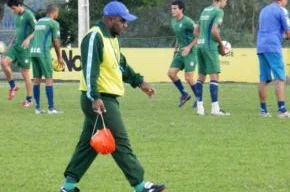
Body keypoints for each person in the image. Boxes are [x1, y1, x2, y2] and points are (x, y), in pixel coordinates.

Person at [59, 2, 165, 192]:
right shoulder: (94, 37)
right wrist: (95, 97)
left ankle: (68, 187)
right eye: (123, 21)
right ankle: (141, 187)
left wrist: (139, 82)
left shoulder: (112, 39)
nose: (126, 25)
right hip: (100, 99)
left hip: (104, 98)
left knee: (88, 145)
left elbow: (121, 66)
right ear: (110, 20)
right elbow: (89, 69)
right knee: (119, 140)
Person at [195, 0, 229, 116]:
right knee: (214, 76)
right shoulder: (218, 11)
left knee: (201, 77)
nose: (226, 2)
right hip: (209, 46)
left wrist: (201, 40)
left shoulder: (205, 10)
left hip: (200, 45)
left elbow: (196, 29)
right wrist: (221, 44)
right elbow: (214, 30)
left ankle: (200, 108)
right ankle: (215, 109)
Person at [257, 0, 290, 118]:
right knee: (280, 78)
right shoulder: (282, 11)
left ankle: (263, 111)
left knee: (264, 79)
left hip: (261, 46)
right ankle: (282, 110)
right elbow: (288, 32)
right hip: (273, 46)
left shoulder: (264, 10)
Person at [30, 4, 63, 114]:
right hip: (43, 53)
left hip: (33, 52)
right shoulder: (54, 23)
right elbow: (56, 41)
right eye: (57, 13)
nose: (57, 15)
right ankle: (51, 108)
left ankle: (37, 108)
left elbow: (35, 35)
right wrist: (59, 57)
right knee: (49, 78)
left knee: (37, 79)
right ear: (54, 12)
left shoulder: (39, 21)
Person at [1, 0, 35, 106]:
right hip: (16, 46)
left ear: (20, 5)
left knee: (25, 74)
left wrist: (28, 39)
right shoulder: (17, 17)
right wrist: (11, 43)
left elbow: (37, 29)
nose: (12, 10)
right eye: (11, 9)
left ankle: (29, 99)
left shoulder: (29, 15)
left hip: (25, 48)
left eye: (14, 8)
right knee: (4, 62)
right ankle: (13, 86)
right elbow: (18, 32)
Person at [167, 0, 199, 107]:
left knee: (189, 78)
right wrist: (176, 48)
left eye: (175, 8)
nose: (172, 10)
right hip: (180, 52)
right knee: (171, 73)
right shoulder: (173, 21)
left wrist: (189, 47)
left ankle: (199, 100)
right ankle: (184, 94)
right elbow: (178, 36)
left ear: (181, 9)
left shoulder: (188, 22)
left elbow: (198, 35)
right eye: (172, 8)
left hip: (191, 52)